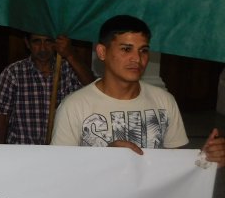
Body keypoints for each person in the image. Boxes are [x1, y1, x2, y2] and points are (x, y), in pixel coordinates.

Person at [51, 15, 225, 168]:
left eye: (143, 50)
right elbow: (59, 169)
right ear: (102, 52)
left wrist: (205, 159)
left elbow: (175, 165)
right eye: (126, 49)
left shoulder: (164, 101)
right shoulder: (74, 106)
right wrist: (104, 158)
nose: (137, 58)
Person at [0, 33, 95, 144]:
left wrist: (70, 55)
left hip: (58, 149)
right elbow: (2, 115)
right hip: (22, 149)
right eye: (36, 41)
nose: (43, 48)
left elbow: (92, 87)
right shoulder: (13, 73)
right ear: (27, 43)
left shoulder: (67, 69)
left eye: (48, 41)